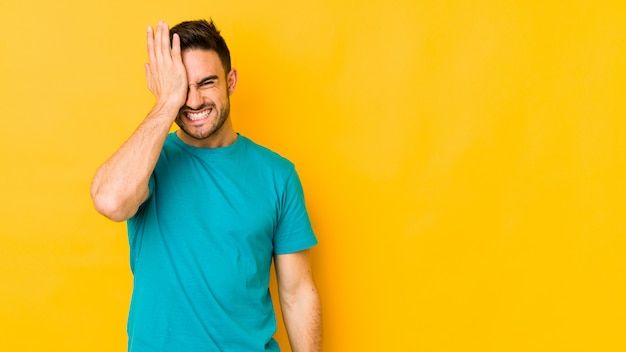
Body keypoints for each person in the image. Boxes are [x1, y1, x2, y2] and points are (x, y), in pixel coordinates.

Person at [90, 19, 321, 351]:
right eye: (182, 86)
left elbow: (297, 293)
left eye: (206, 83)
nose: (193, 100)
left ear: (231, 81)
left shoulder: (278, 175)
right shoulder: (149, 163)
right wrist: (166, 103)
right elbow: (111, 201)